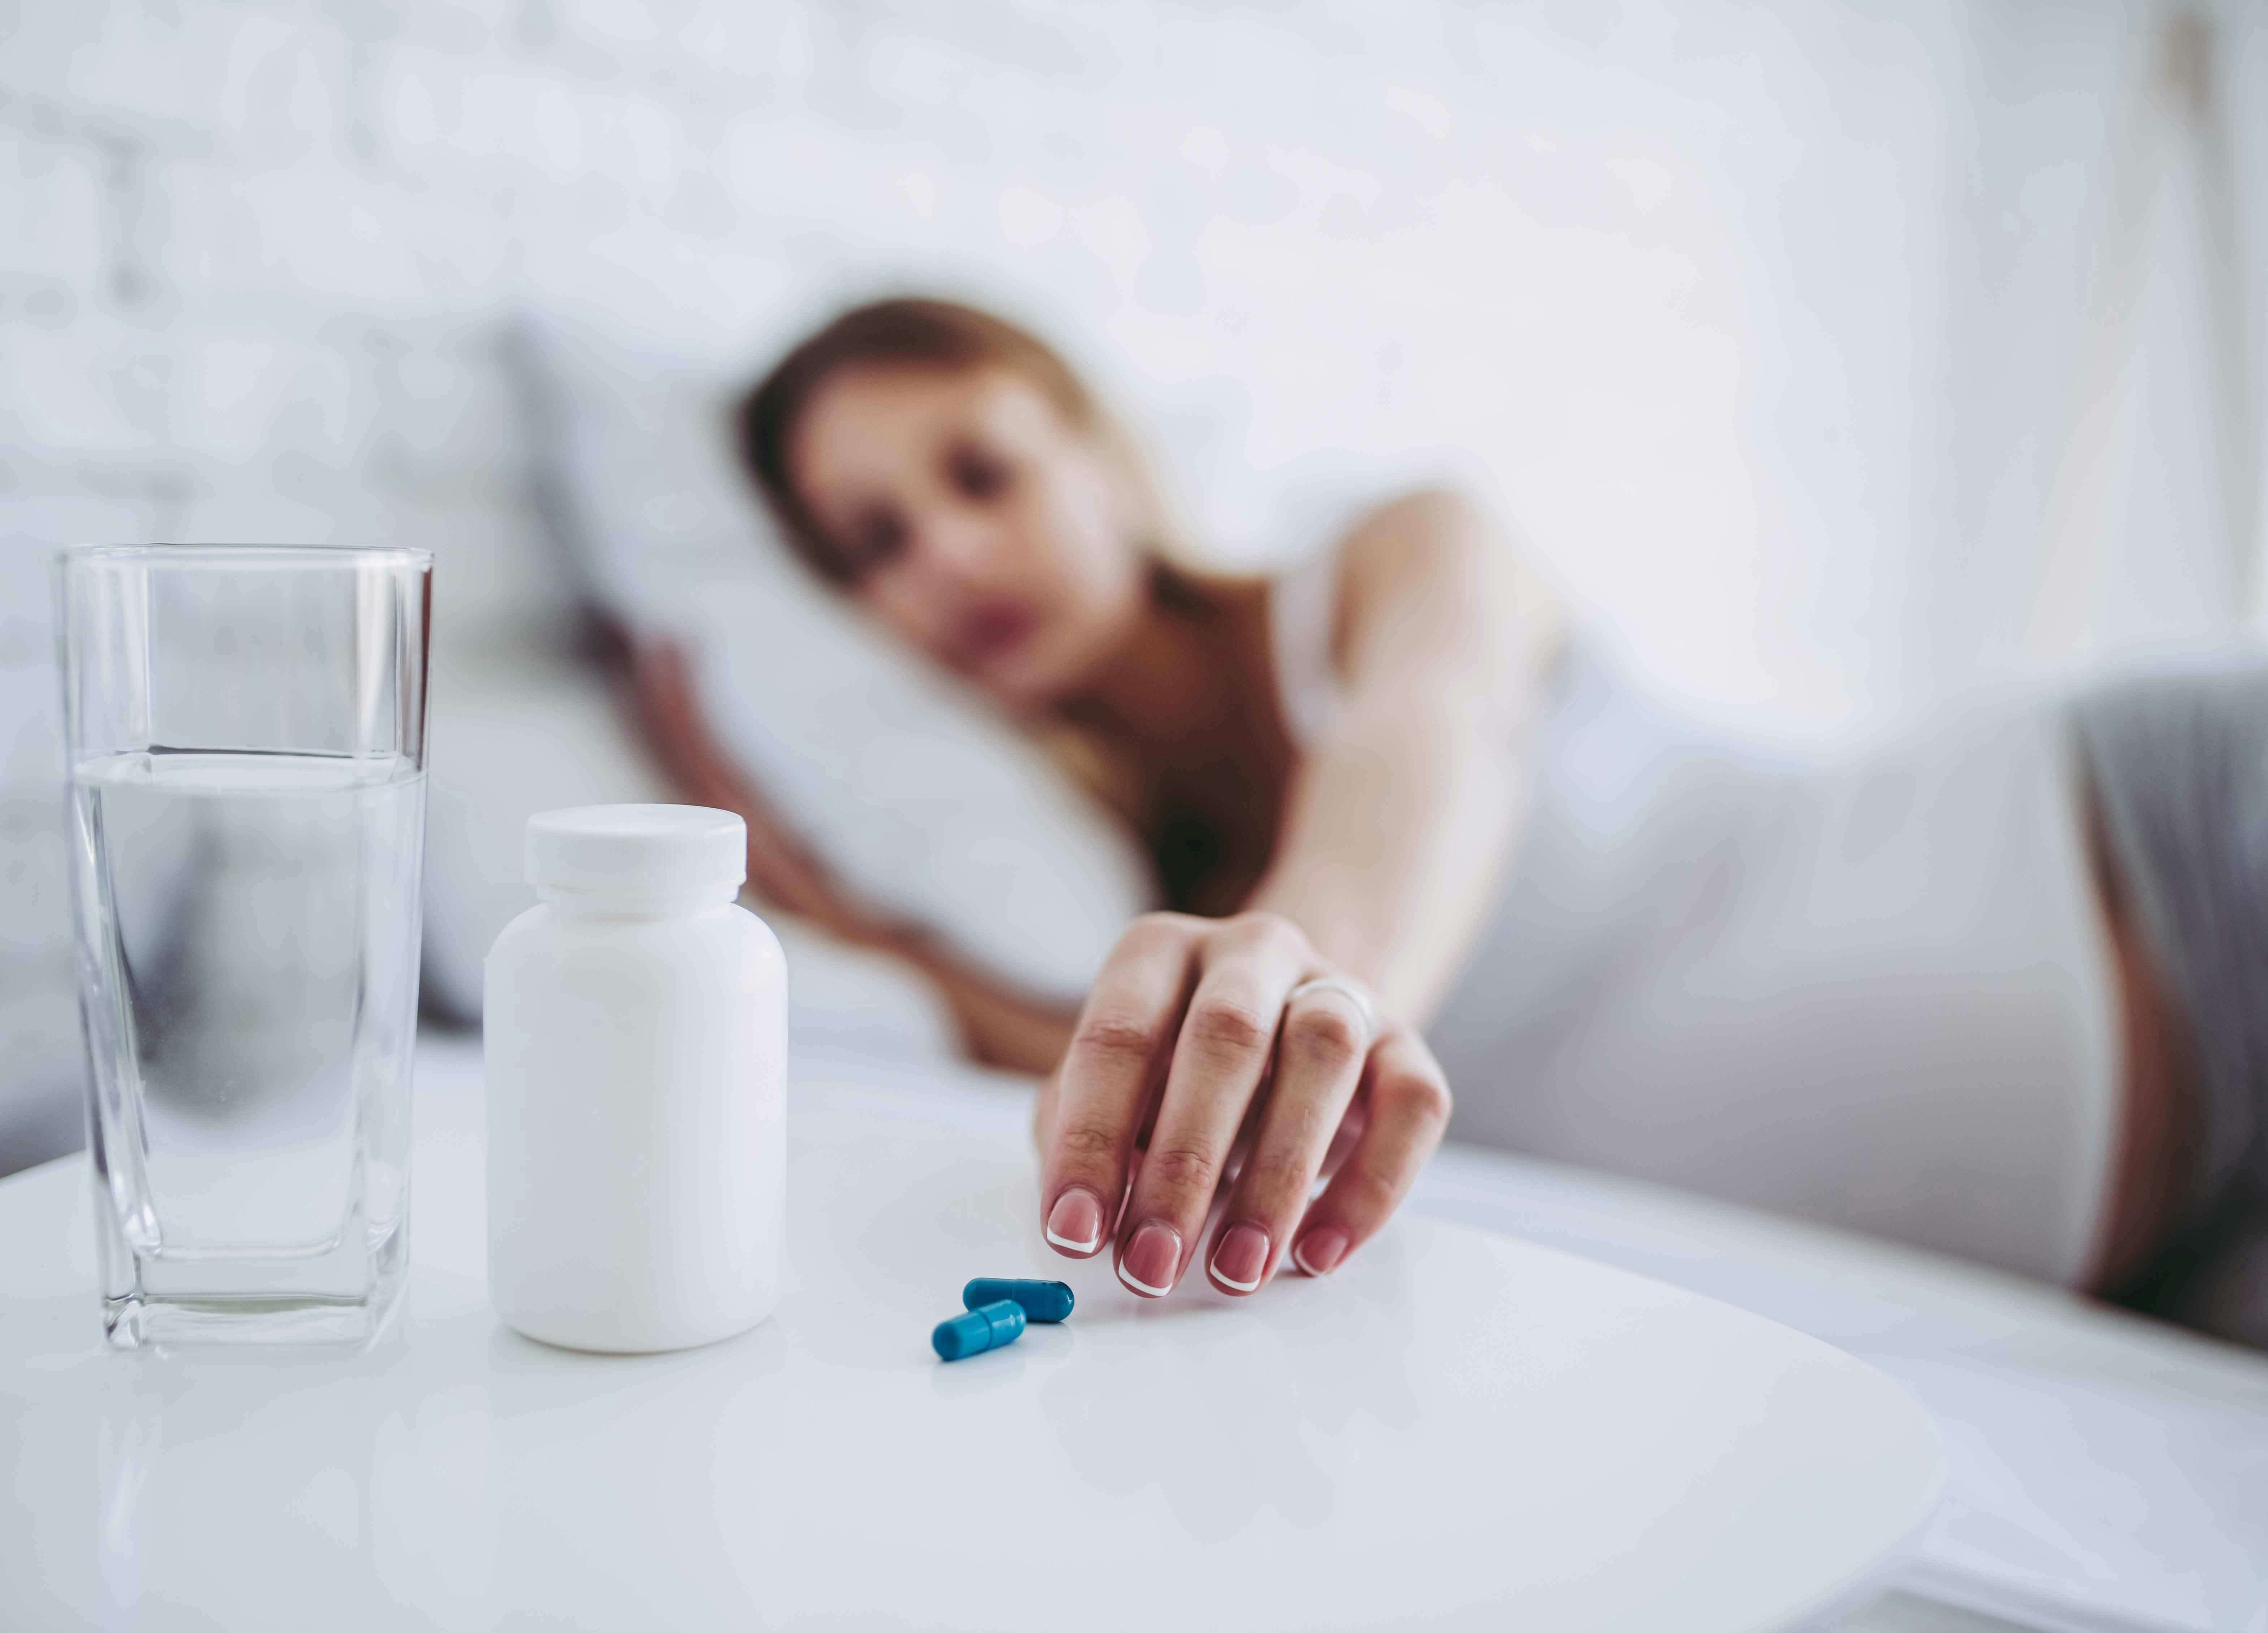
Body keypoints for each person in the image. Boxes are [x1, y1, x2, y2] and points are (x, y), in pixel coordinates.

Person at [623, 297, 2266, 1344]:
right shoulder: (1132, 896)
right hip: (2142, 1255)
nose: (949, 564)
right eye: (875, 546)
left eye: (979, 473)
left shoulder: (1406, 555)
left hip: (2163, 862)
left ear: (1093, 446)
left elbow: (1442, 732)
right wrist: (843, 915)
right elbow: (1093, 1063)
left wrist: (1313, 960)